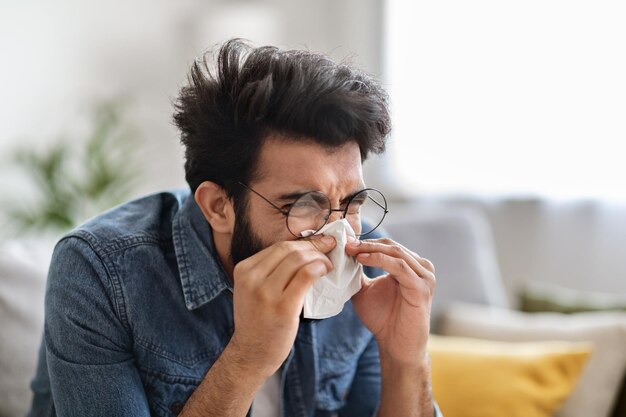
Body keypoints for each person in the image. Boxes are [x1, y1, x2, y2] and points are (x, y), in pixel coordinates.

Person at [28, 39, 440, 417]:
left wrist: (405, 359)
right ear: (218, 206)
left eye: (352, 203)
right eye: (303, 205)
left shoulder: (366, 258)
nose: (339, 237)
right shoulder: (101, 271)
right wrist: (248, 357)